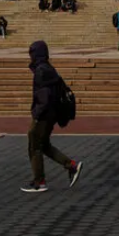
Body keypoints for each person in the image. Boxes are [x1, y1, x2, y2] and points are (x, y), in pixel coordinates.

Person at [21, 40, 83, 192]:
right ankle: (71, 165)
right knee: (44, 145)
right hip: (51, 114)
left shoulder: (41, 71)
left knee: (34, 145)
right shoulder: (48, 68)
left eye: (32, 54)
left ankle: (39, 182)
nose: (30, 57)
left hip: (43, 115)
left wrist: (36, 114)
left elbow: (44, 97)